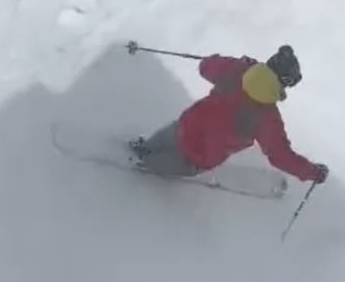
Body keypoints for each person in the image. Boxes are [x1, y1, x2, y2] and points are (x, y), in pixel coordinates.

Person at [130, 45, 329, 184]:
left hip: (184, 126)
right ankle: (144, 165)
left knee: (154, 146)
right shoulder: (268, 118)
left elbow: (205, 67)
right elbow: (280, 156)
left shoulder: (237, 70)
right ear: (285, 82)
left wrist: (237, 62)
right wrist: (312, 172)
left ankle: (144, 151)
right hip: (199, 156)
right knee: (156, 164)